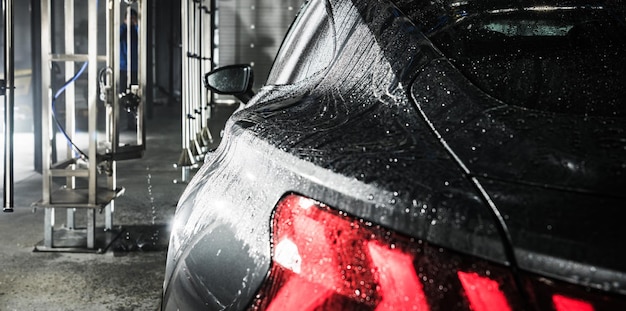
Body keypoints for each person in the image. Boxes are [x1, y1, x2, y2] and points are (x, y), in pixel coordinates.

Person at [120, 8, 139, 129]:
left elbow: (143, 37)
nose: (131, 20)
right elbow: (115, 36)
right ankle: (125, 122)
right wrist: (125, 25)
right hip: (122, 68)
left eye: (133, 18)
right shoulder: (122, 29)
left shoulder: (136, 30)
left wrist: (136, 25)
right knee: (122, 95)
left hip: (135, 68)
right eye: (129, 18)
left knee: (135, 96)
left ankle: (133, 123)